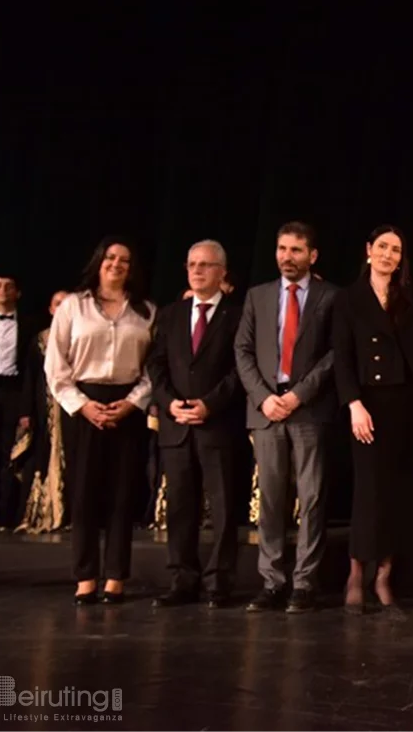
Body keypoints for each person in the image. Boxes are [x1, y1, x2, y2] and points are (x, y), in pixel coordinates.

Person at [44, 238, 155, 605]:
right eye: (110, 257)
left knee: (123, 494)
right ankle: (86, 576)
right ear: (99, 262)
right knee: (85, 492)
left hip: (127, 406)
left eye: (124, 260)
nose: (116, 264)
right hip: (83, 405)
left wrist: (132, 403)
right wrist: (83, 405)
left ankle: (116, 576)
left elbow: (153, 370)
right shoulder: (74, 307)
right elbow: (56, 367)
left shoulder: (146, 311)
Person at [235, 222, 338, 614]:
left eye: (296, 250)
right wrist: (264, 398)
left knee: (311, 498)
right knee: (272, 499)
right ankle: (272, 582)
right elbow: (242, 350)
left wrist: (298, 394)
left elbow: (333, 355)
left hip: (308, 408)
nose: (286, 257)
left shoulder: (330, 296)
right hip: (267, 411)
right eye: (281, 249)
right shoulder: (258, 296)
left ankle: (305, 583)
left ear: (312, 256)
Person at [333, 225, 413, 613]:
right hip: (367, 404)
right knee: (368, 491)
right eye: (383, 247)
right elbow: (341, 357)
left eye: (396, 250)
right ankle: (356, 572)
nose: (389, 255)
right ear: (368, 250)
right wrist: (353, 403)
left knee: (398, 492)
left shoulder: (407, 297)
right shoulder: (348, 299)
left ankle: (384, 576)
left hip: (404, 403)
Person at [147, 241, 243, 608]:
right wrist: (169, 402)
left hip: (217, 424)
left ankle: (219, 582)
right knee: (180, 506)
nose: (197, 271)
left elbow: (240, 369)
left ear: (222, 272)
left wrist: (210, 404)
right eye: (191, 265)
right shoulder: (171, 314)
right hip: (176, 424)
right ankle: (182, 580)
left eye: (205, 265)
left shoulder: (237, 315)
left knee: (222, 507)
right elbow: (155, 364)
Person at [0, 274, 36, 531]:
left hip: (14, 391)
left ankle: (5, 517)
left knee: (9, 455)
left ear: (18, 293)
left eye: (9, 286)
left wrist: (26, 407)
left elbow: (31, 369)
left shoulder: (28, 325)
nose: (3, 290)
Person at [19, 291, 71, 533]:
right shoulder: (41, 339)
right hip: (46, 409)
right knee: (45, 454)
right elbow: (31, 378)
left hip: (76, 410)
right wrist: (26, 411)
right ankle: (46, 510)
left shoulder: (84, 336)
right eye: (58, 304)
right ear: (50, 309)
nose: (62, 308)